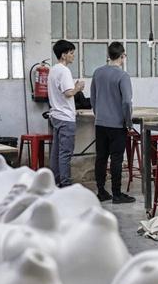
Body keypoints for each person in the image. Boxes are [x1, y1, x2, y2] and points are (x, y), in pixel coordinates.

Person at [89, 41, 135, 204]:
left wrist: (98, 114)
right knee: (116, 158)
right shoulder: (123, 76)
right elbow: (127, 102)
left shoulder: (98, 73)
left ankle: (101, 191)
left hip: (100, 123)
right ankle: (117, 194)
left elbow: (93, 98)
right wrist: (128, 122)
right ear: (123, 56)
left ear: (108, 56)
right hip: (117, 124)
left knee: (101, 158)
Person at [47, 40, 88, 187]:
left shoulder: (53, 70)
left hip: (56, 115)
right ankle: (65, 184)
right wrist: (78, 87)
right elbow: (68, 92)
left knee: (56, 153)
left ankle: (55, 181)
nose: (73, 56)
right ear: (63, 55)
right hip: (65, 117)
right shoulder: (64, 71)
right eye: (71, 53)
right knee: (65, 153)